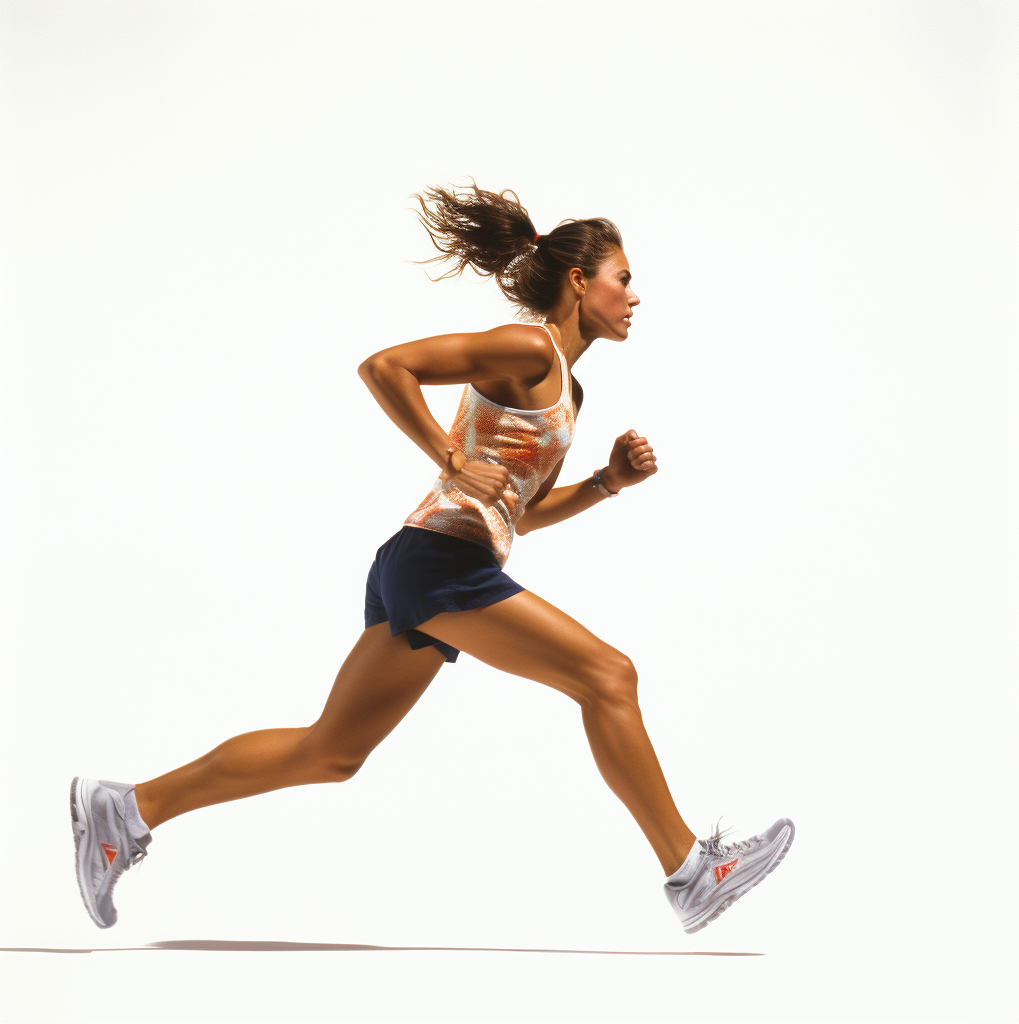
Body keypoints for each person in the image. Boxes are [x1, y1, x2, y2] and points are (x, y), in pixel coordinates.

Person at [70, 182, 794, 935]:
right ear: (580, 283)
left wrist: (606, 484)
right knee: (608, 676)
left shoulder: (568, 389)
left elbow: (520, 510)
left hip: (432, 559)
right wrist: (449, 454)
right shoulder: (528, 347)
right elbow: (385, 366)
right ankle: (689, 871)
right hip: (439, 562)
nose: (634, 296)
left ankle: (127, 808)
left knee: (332, 751)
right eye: (624, 278)